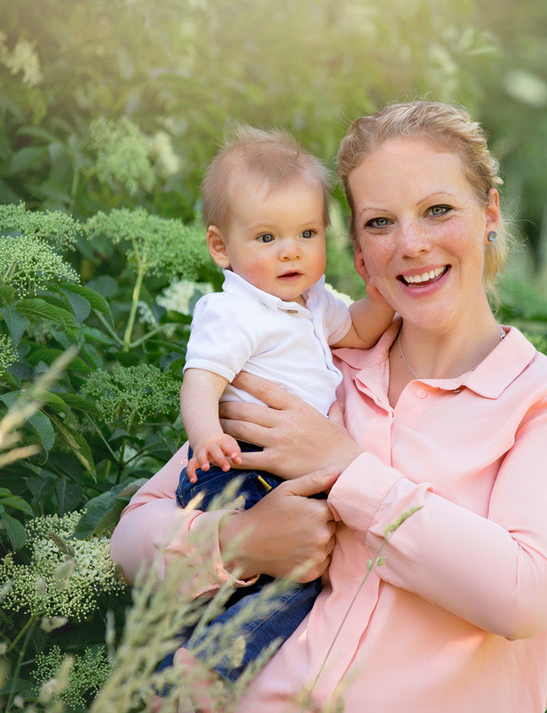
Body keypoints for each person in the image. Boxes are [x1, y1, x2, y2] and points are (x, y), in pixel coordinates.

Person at [111, 101, 547, 713]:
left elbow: (525, 595)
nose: (411, 244)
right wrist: (241, 539)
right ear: (356, 255)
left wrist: (347, 470)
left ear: (489, 214)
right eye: (380, 223)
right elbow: (133, 537)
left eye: (437, 210)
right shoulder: (314, 371)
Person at [164, 125, 395, 683]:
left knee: (274, 576)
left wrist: (386, 287)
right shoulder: (234, 310)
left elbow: (361, 331)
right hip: (236, 464)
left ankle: (185, 661)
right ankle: (203, 669)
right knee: (297, 578)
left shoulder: (313, 302)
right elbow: (201, 380)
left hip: (273, 468)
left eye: (307, 233)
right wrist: (204, 436)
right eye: (267, 238)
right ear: (222, 247)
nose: (291, 250)